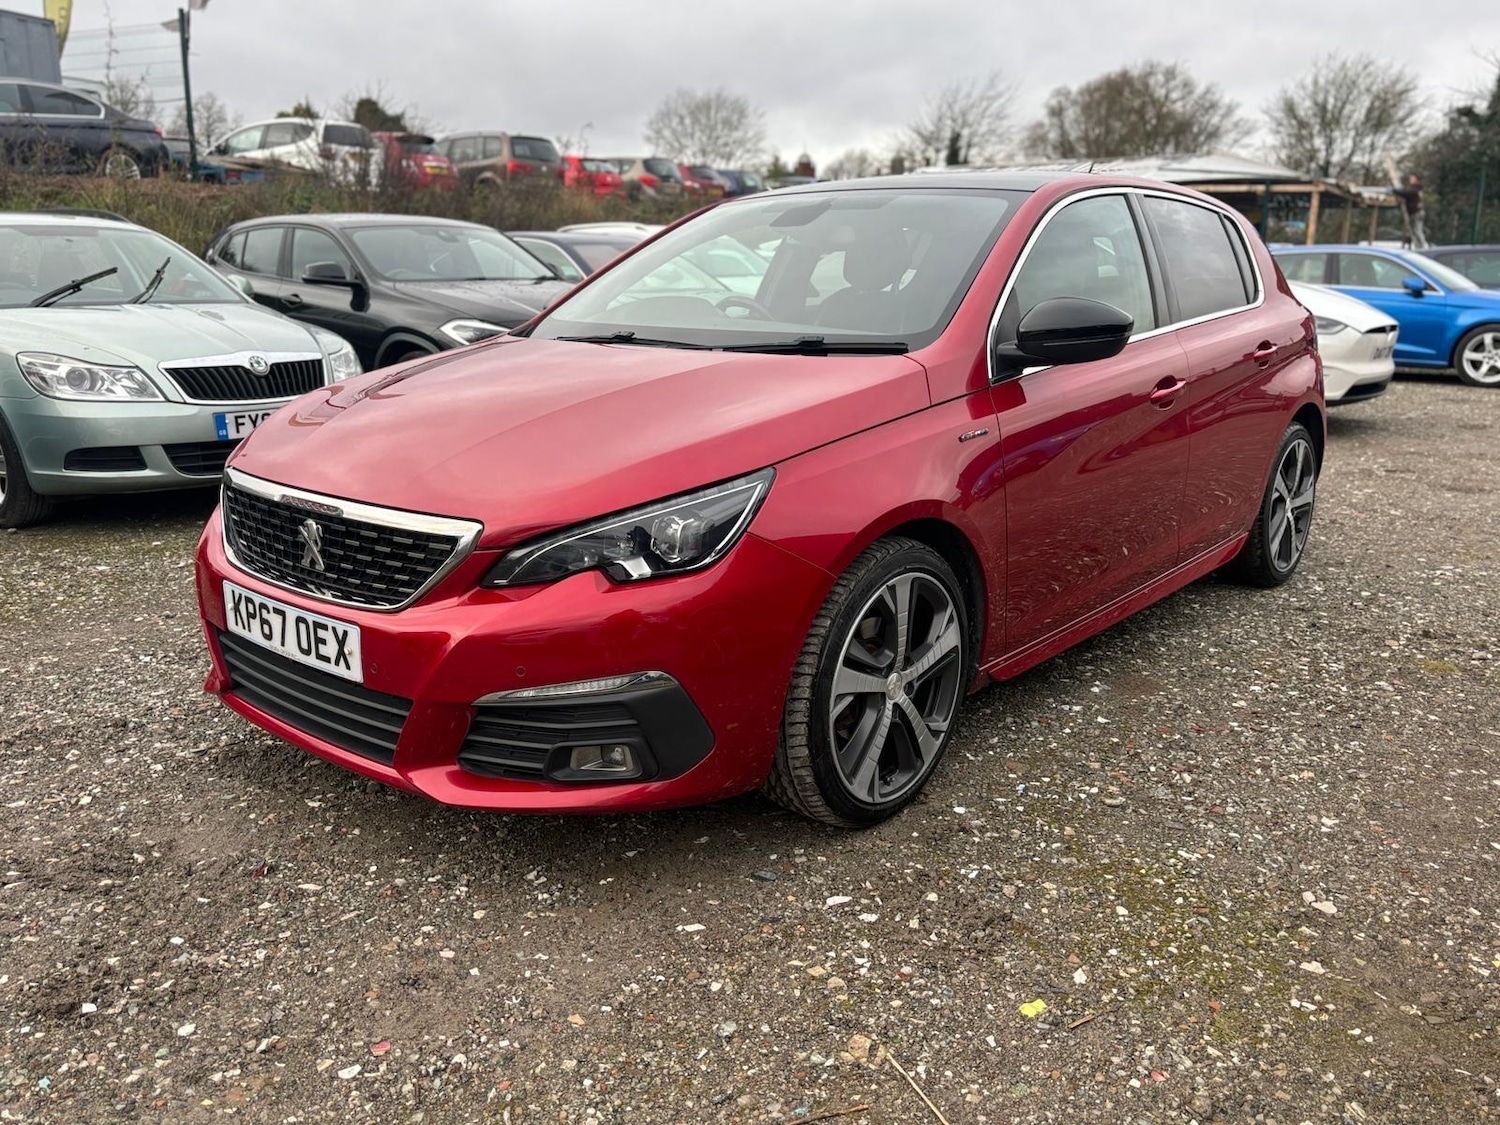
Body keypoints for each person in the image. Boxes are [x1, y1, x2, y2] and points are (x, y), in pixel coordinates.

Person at [1392, 173, 1428, 250]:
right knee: (1414, 232)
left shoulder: (1416, 189)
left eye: (1412, 178)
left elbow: (1406, 193)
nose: (1410, 180)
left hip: (1416, 213)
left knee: (1417, 231)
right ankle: (1418, 247)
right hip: (1414, 213)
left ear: (1416, 180)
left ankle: (1423, 247)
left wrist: (1395, 190)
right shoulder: (1414, 189)